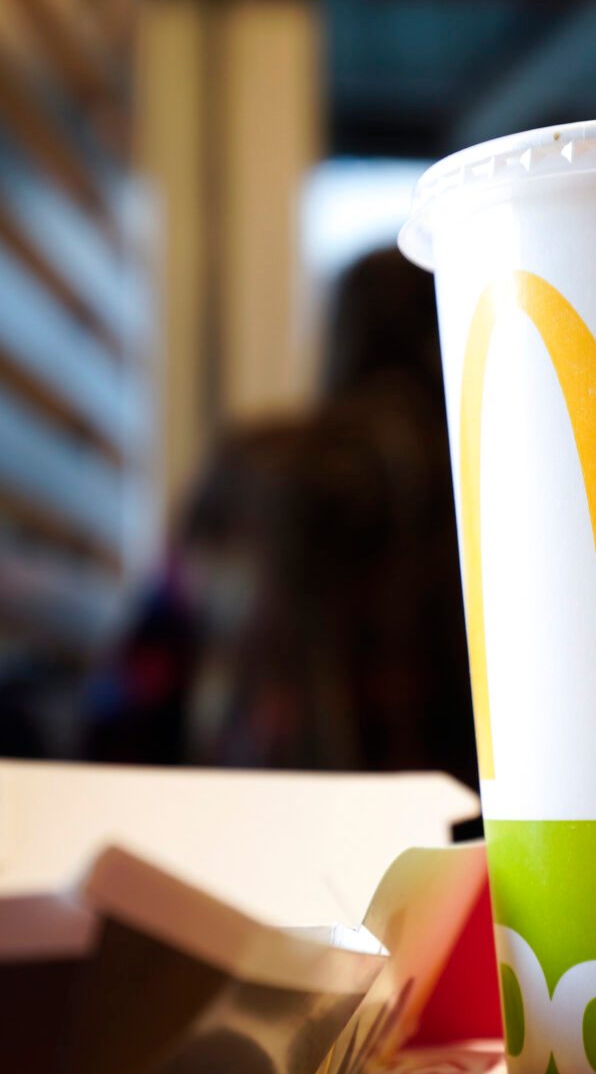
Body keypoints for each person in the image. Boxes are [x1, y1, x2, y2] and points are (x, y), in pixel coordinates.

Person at [82, 249, 478, 785]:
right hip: (477, 846)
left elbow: (130, 706)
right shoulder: (497, 484)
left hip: (249, 836)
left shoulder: (249, 472)